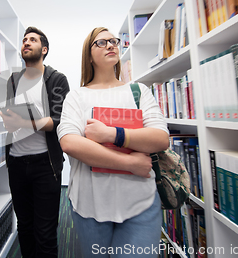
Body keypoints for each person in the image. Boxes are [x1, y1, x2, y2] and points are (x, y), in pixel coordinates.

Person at [57, 27, 169, 257]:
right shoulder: (76, 96)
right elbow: (70, 143)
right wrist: (129, 163)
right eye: (101, 43)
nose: (111, 45)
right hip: (89, 205)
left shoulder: (139, 91)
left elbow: (160, 138)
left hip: (141, 205)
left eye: (113, 41)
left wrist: (111, 134)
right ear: (88, 56)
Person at [0, 26, 70, 258]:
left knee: (46, 233)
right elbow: (12, 119)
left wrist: (24, 122)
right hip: (16, 164)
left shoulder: (57, 79)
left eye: (32, 39)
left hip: (45, 166)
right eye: (24, 40)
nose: (26, 43)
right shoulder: (13, 80)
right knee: (25, 227)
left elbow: (59, 120)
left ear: (44, 49)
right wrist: (11, 122)